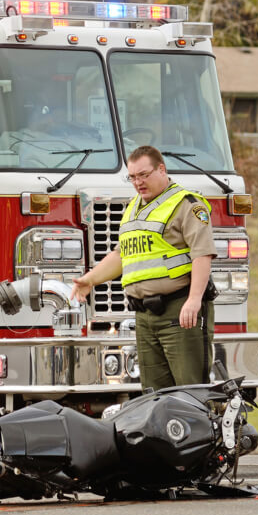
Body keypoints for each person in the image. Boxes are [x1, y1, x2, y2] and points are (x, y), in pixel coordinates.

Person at [70, 145, 217, 391]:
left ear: (162, 169)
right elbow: (121, 255)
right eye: (133, 177)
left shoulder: (186, 205)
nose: (138, 182)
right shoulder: (133, 208)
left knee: (191, 393)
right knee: (155, 396)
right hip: (145, 317)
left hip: (179, 312)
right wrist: (90, 280)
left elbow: (202, 254)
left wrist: (194, 300)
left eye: (144, 175)